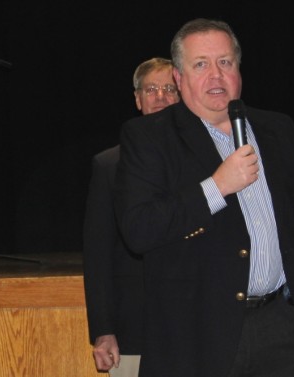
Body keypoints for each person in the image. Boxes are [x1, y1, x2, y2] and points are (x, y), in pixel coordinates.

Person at [114, 18, 294, 377]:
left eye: (225, 62)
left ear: (238, 68)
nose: (216, 75)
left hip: (286, 325)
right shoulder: (149, 137)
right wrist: (217, 186)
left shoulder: (278, 129)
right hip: (200, 336)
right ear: (179, 77)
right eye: (201, 64)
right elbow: (139, 230)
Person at [83, 57, 179, 376]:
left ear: (183, 96)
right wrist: (103, 329)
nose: (161, 97)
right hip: (133, 329)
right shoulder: (109, 166)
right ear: (138, 99)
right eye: (151, 89)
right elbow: (98, 256)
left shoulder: (210, 161)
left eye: (169, 88)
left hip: (198, 324)